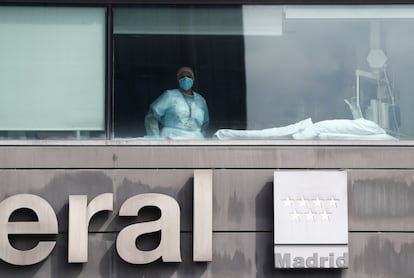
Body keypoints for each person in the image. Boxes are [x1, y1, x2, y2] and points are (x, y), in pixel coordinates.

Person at [144, 66, 209, 139]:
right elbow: (152, 115)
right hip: (171, 137)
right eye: (182, 77)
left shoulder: (200, 100)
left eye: (188, 76)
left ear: (193, 79)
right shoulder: (169, 95)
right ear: (178, 79)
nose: (185, 79)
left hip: (196, 139)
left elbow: (205, 123)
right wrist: (154, 136)